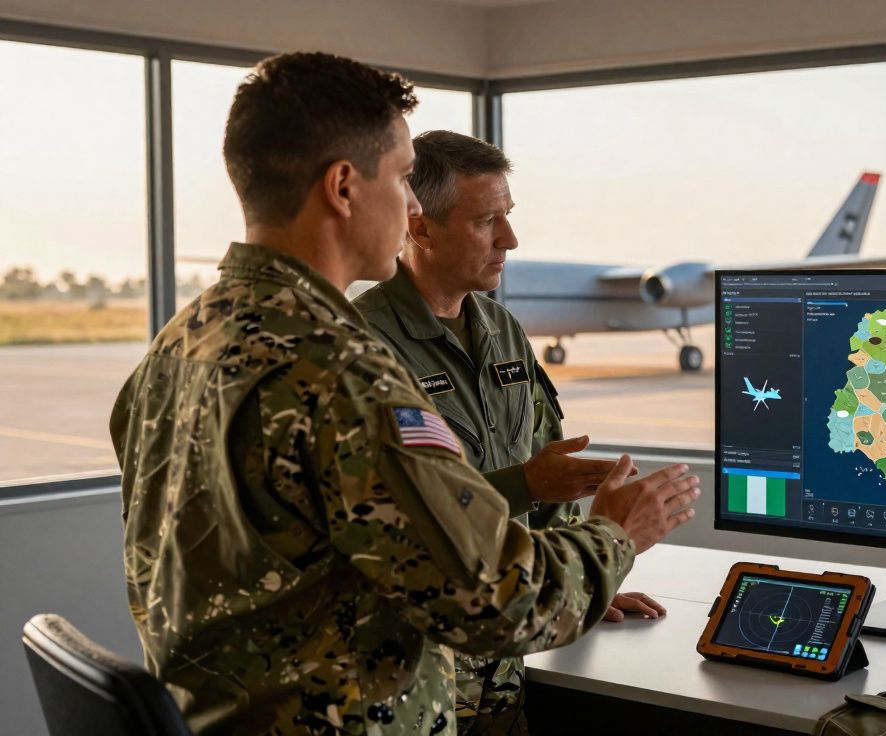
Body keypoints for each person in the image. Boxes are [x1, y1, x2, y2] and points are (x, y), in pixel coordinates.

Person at [109, 51, 698, 736]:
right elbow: (494, 605)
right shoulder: (339, 370)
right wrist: (616, 534)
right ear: (343, 187)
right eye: (400, 177)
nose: (413, 204)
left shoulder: (183, 341)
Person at [353, 130, 666, 734]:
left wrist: (581, 582)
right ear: (420, 227)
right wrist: (529, 486)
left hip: (508, 666)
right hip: (417, 683)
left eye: (509, 218)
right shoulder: (365, 348)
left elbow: (548, 476)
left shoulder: (502, 330)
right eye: (486, 222)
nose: (510, 240)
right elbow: (409, 519)